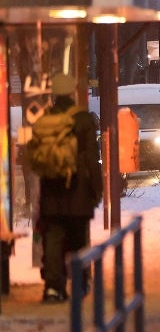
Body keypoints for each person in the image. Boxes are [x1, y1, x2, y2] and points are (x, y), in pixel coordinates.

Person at [35, 72, 103, 303]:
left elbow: (35, 160)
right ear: (72, 92)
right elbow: (93, 160)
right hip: (78, 191)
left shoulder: (43, 120)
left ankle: (53, 288)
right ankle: (81, 282)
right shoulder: (83, 119)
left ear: (54, 93)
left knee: (53, 239)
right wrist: (97, 189)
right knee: (78, 238)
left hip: (51, 191)